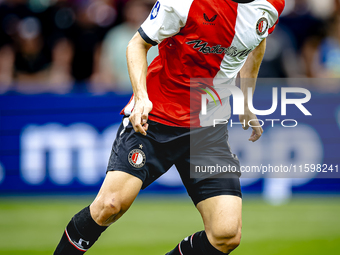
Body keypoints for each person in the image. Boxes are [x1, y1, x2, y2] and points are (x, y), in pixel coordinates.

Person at [54, 0, 285, 254]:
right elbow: (136, 44)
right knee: (110, 205)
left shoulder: (271, 5)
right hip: (157, 118)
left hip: (209, 125)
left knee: (226, 233)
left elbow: (257, 40)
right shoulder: (185, 2)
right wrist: (141, 97)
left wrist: (246, 101)